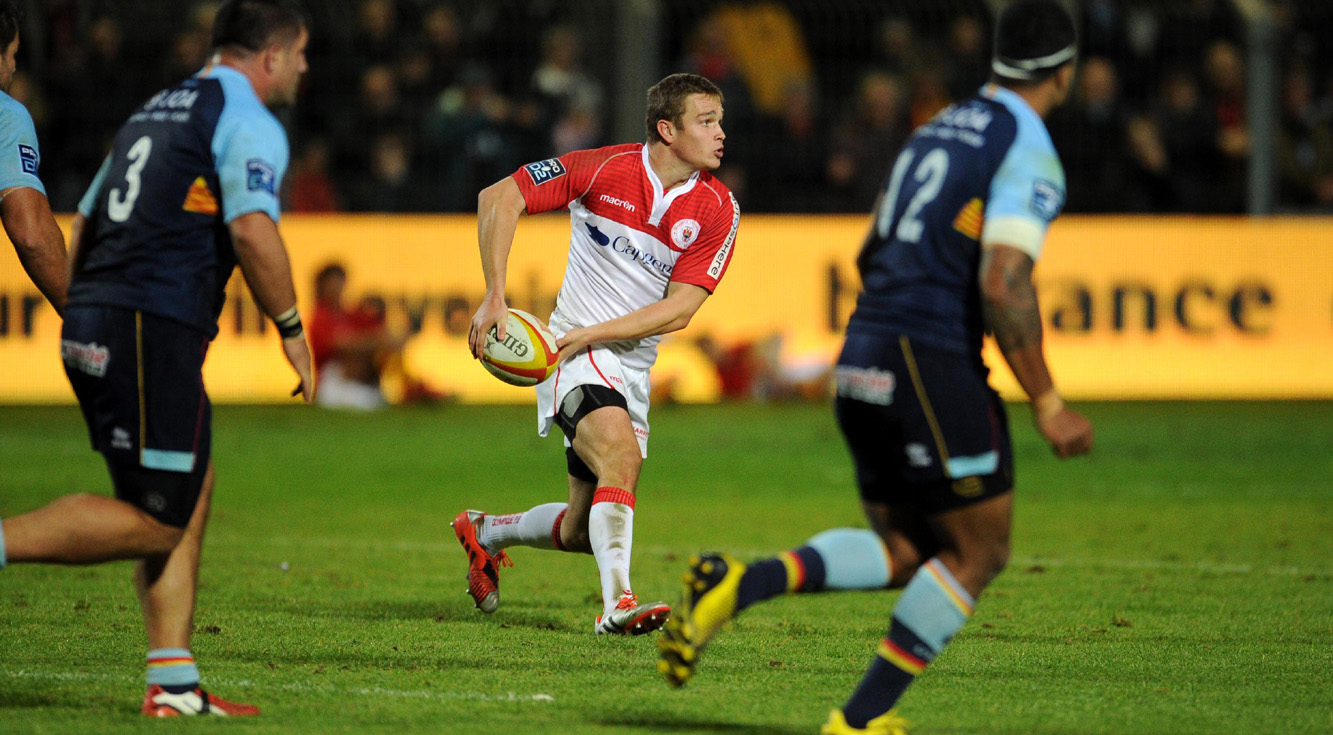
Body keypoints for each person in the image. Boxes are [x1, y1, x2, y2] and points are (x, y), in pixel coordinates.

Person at [657, 3, 1094, 735]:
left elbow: (875, 244)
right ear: (1065, 68)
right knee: (978, 550)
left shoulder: (940, 125)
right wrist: (1047, 399)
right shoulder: (1026, 144)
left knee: (906, 549)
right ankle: (859, 719)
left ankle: (740, 583)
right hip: (929, 354)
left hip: (863, 346)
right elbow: (1004, 281)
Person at [0, 0, 313, 717]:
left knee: (189, 484)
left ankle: (173, 681)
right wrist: (290, 326)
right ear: (269, 55)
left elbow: (85, 216)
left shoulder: (158, 107)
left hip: (111, 316)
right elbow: (253, 227)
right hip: (149, 325)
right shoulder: (246, 118)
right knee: (156, 516)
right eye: (299, 53)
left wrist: (87, 311)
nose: (303, 66)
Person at [457, 72, 739, 636]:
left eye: (719, 121)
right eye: (706, 121)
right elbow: (500, 196)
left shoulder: (718, 209)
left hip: (628, 366)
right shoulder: (602, 169)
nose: (720, 133)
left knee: (581, 532)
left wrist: (599, 333)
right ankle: (617, 606)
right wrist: (495, 295)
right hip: (568, 354)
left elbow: (679, 310)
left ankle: (485, 531)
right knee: (621, 459)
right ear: (668, 129)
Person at [0, 1, 68, 314]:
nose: (14, 66)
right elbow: (32, 234)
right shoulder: (6, 114)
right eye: (13, 53)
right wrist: (83, 316)